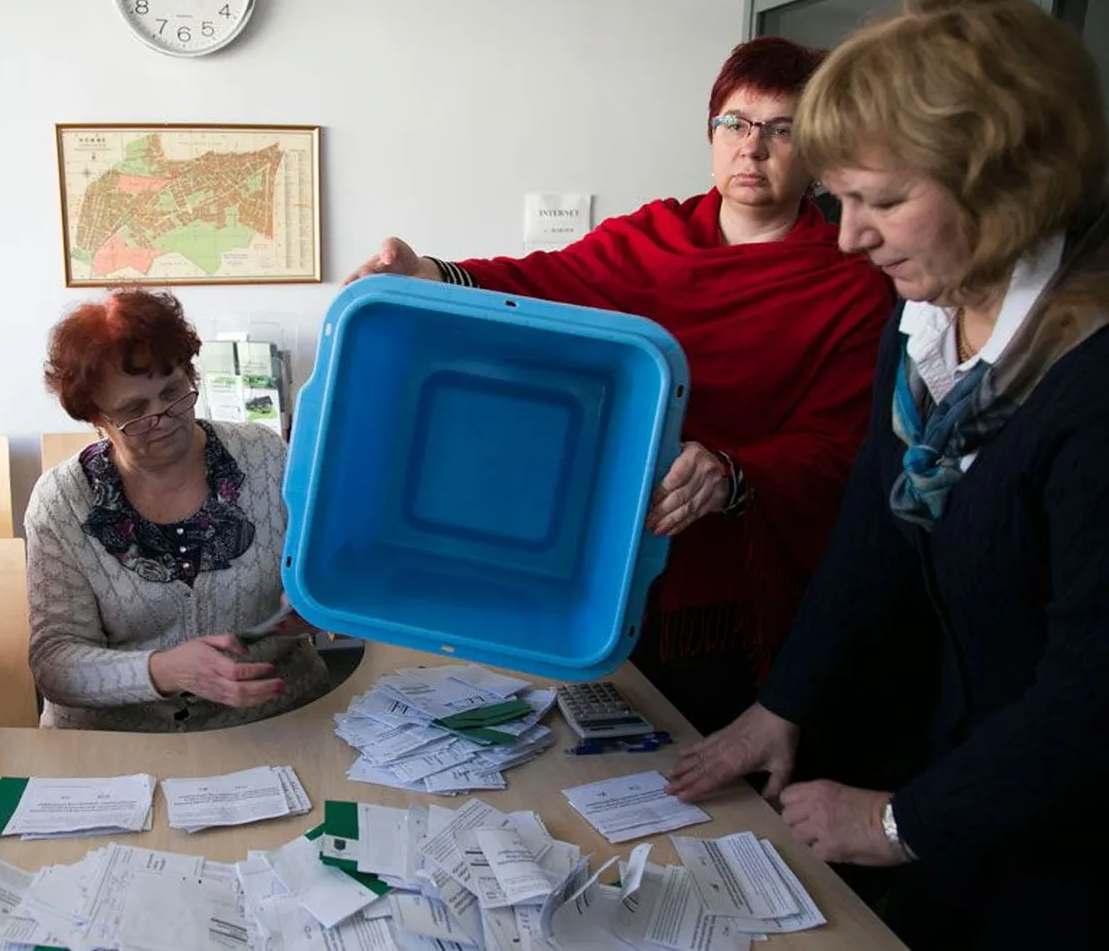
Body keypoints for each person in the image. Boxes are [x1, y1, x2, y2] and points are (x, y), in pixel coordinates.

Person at [666, 0, 1109, 947]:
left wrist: (899, 822)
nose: (847, 237)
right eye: (842, 198)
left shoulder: (1093, 377)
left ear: (1008, 182)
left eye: (885, 200)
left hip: (1069, 837)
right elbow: (880, 512)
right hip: (959, 767)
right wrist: (783, 703)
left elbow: (1093, 696)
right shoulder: (927, 320)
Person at [346, 37, 895, 734]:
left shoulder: (850, 286)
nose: (752, 149)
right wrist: (431, 272)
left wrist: (733, 473)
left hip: (725, 593)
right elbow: (542, 281)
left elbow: (843, 448)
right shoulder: (652, 235)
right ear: (711, 131)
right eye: (735, 123)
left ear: (818, 149)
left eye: (782, 130)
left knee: (698, 764)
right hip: (601, 555)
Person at [26, 289, 330, 732]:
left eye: (173, 392)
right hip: (121, 744)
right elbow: (55, 662)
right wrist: (163, 670)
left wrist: (317, 602)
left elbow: (328, 573)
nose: (163, 417)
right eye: (134, 410)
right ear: (97, 418)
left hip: (274, 722)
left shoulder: (266, 457)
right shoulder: (63, 502)